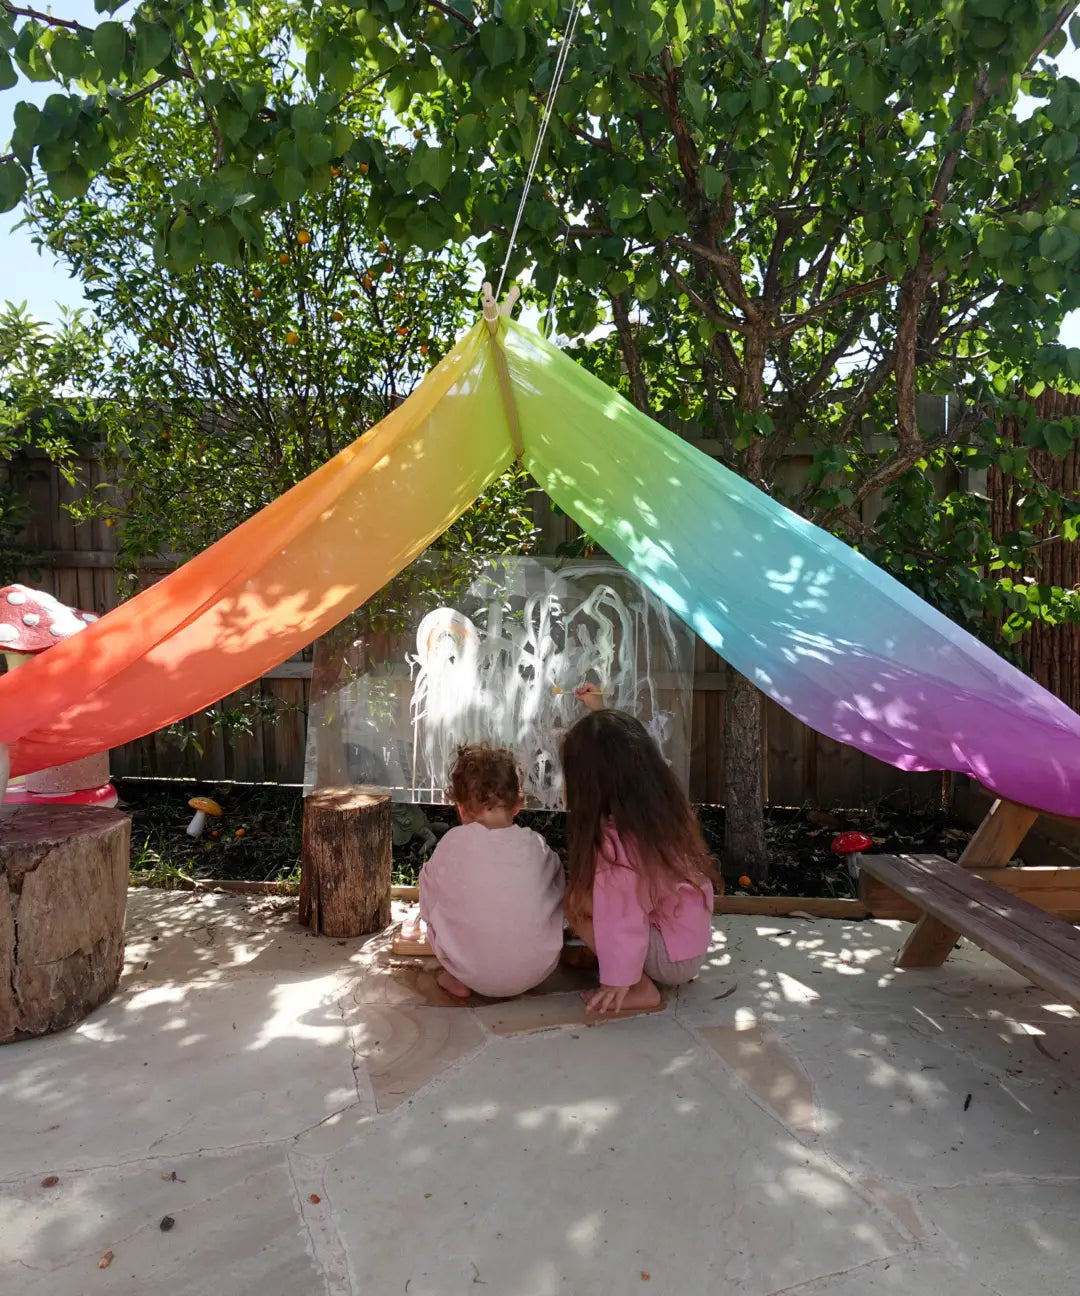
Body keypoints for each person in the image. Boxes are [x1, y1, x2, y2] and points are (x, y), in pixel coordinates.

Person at [563, 684, 716, 1015]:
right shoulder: (661, 808)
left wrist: (619, 978)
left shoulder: (615, 844)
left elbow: (623, 916)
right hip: (688, 942)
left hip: (669, 958)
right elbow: (621, 751)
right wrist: (599, 711)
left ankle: (639, 987)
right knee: (604, 900)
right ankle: (628, 967)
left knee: (577, 903)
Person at [419, 744, 565, 999]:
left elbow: (430, 893)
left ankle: (455, 975)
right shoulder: (536, 845)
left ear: (461, 808)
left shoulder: (452, 844)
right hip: (539, 970)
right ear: (517, 805)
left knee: (429, 885)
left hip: (471, 973)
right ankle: (522, 963)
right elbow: (558, 885)